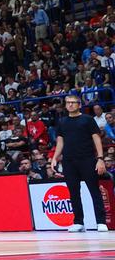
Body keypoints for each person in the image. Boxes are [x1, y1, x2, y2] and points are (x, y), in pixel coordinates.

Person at [50, 94, 109, 232]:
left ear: (79, 104)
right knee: (73, 192)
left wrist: (100, 159)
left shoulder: (87, 120)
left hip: (87, 159)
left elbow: (96, 139)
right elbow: (60, 141)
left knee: (94, 190)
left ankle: (100, 221)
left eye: (73, 102)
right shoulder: (62, 121)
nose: (70, 104)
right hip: (69, 161)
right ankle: (78, 222)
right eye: (68, 102)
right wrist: (55, 157)